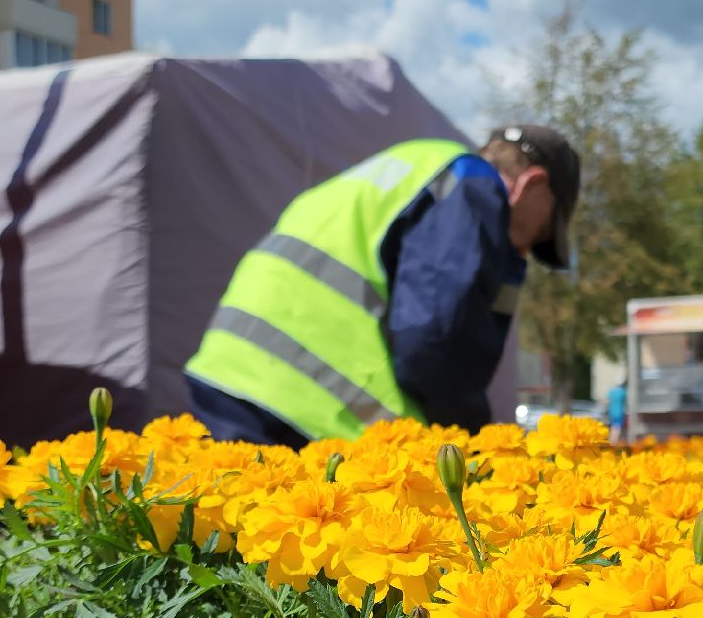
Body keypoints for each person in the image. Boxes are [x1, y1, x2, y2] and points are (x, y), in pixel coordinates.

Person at [184, 126, 580, 447]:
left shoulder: (413, 162)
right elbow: (435, 335)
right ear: (531, 183)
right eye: (543, 231)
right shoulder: (473, 183)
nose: (528, 249)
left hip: (228, 371)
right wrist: (471, 439)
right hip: (302, 410)